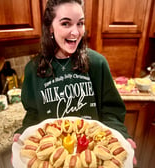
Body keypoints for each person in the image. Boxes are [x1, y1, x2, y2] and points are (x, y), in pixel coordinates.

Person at [13, 0, 136, 164]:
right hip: (52, 159)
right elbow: (33, 114)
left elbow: (111, 111)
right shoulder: (32, 70)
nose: (76, 32)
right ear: (50, 27)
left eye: (80, 23)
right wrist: (24, 133)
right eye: (66, 23)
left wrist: (120, 137)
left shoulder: (97, 63)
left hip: (91, 156)